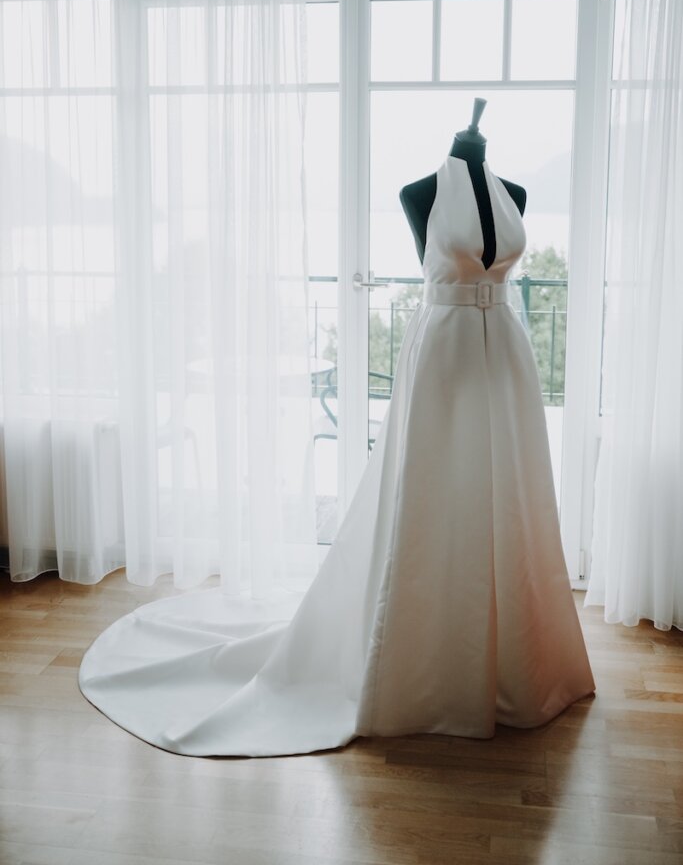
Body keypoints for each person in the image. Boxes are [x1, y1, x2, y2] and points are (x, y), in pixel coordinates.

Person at [79, 100, 595, 756]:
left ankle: (513, 659)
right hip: (443, 355)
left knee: (509, 498)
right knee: (437, 494)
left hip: (507, 364)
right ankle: (425, 661)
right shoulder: (419, 192)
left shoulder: (512, 192)